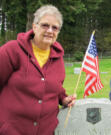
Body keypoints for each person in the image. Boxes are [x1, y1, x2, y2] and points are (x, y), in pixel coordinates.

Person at [0, 5, 76, 135]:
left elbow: (55, 87)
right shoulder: (12, 50)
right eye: (45, 25)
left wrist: (63, 98)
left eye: (55, 27)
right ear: (34, 27)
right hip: (12, 130)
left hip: (45, 130)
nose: (50, 31)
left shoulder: (58, 58)